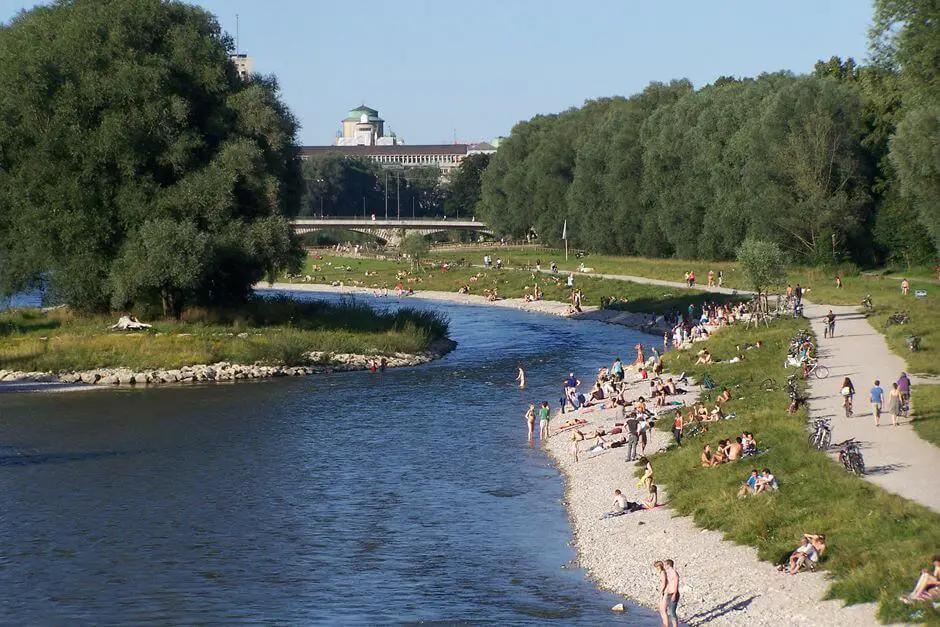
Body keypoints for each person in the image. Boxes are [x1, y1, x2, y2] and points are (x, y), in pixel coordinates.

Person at [663, 559, 680, 627]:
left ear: (668, 565)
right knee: (668, 610)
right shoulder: (667, 573)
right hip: (668, 594)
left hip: (673, 593)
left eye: (665, 564)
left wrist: (674, 594)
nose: (664, 566)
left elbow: (676, 584)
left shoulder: (674, 573)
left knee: (672, 612)